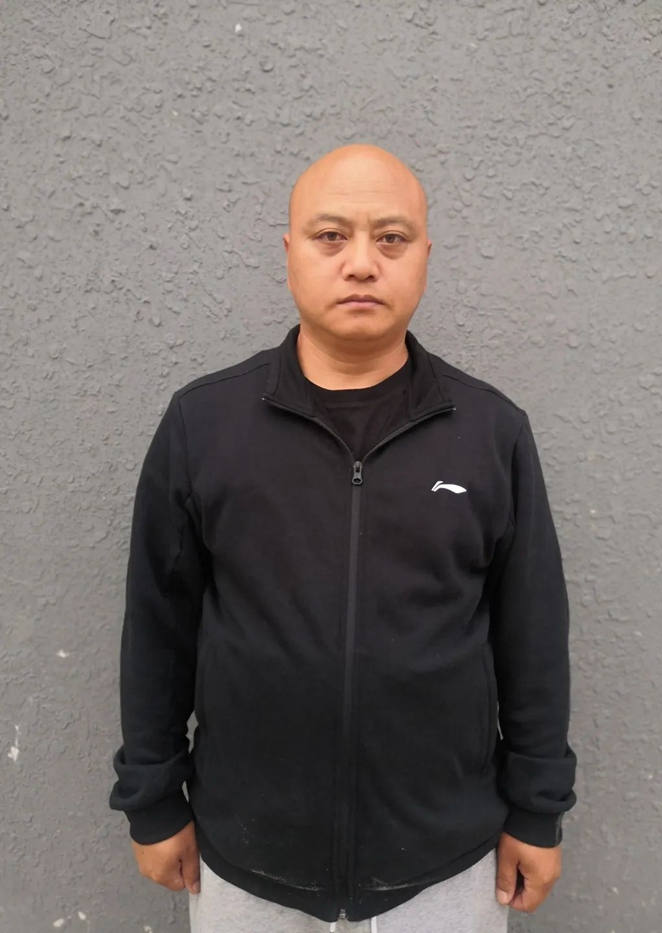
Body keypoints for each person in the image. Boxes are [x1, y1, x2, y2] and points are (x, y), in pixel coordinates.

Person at [109, 143, 577, 932]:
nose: (362, 262)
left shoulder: (491, 432)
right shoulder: (204, 424)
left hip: (444, 863)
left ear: (425, 255)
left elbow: (532, 635)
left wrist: (538, 809)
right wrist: (153, 799)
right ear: (289, 251)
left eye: (391, 238)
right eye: (331, 236)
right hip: (247, 856)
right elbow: (158, 626)